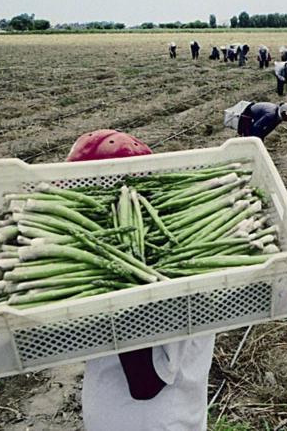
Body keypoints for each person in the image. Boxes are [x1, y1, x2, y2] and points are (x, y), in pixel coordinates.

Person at [69, 130, 215, 431]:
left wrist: (117, 287)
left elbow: (146, 383)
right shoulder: (147, 253)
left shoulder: (169, 275)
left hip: (154, 421)